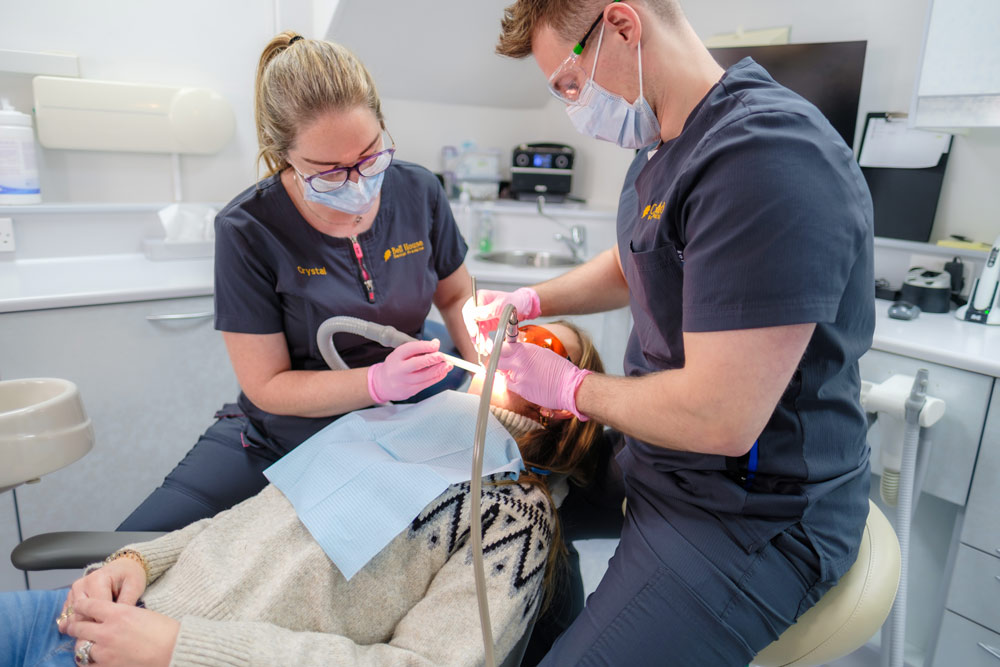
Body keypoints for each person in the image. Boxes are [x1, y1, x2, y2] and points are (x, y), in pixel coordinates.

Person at [469, 1, 876, 664]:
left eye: (571, 86)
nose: (575, 106)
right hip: (661, 461)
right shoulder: (663, 141)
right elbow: (639, 258)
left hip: (750, 513)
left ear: (623, 27)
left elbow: (722, 417)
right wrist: (535, 296)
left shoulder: (766, 158)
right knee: (493, 515)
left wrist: (571, 387)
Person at [0, 322, 607, 667]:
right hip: (85, 614)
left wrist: (182, 649)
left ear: (567, 408)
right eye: (511, 332)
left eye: (541, 350)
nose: (512, 346)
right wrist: (133, 561)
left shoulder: (513, 517)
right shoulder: (400, 420)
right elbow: (247, 524)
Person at [119, 32, 477, 532]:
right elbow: (267, 385)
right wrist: (374, 383)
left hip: (407, 422)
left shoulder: (419, 190)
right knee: (132, 550)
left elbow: (457, 295)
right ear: (284, 155)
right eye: (329, 172)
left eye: (370, 156)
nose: (356, 182)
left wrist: (486, 369)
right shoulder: (248, 229)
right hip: (289, 432)